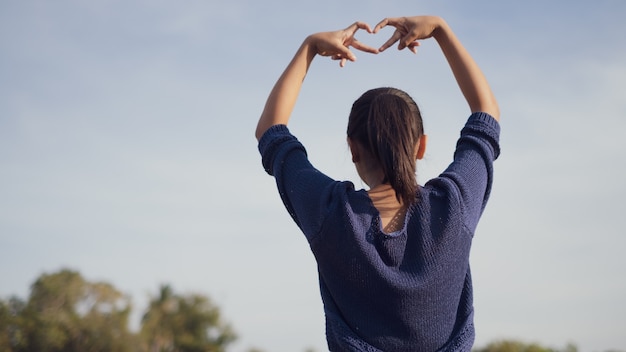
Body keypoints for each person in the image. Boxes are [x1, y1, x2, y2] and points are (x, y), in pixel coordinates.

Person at [255, 15, 500, 352]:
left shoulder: (330, 212)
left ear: (352, 149)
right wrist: (441, 30)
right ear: (422, 146)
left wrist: (309, 48)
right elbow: (486, 114)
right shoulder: (452, 205)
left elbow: (271, 132)